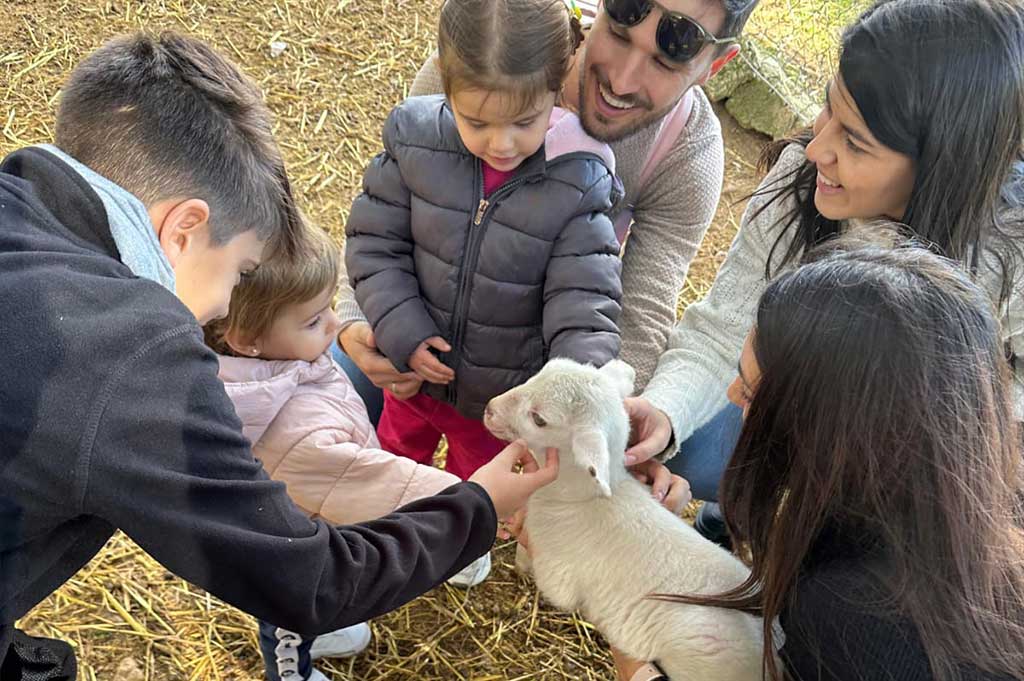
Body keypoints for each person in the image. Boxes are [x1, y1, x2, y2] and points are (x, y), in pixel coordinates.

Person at [0, 32, 557, 681]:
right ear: (183, 228)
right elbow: (312, 581)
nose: (219, 311)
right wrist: (479, 501)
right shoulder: (129, 351)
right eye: (239, 272)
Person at [623, 0, 1024, 543]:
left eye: (854, 141)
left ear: (941, 164)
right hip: (792, 409)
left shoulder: (1008, 258)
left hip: (904, 464)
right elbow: (722, 330)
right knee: (694, 452)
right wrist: (664, 415)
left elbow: (998, 436)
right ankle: (737, 511)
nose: (815, 148)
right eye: (828, 108)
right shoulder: (803, 181)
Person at [335, 0, 762, 429]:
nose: (621, 78)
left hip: (518, 371)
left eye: (667, 60)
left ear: (716, 65)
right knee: (343, 377)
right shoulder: (492, 52)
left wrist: (595, 412)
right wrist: (357, 318)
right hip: (411, 326)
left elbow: (641, 309)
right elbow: (385, 208)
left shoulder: (688, 153)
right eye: (617, 32)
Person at [638, 245, 1024, 681]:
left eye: (748, 393)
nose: (730, 396)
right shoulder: (973, 510)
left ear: (824, 431)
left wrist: (634, 631)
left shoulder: (846, 614)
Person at [344, 0, 623, 485]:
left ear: (556, 91)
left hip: (495, 403)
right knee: (390, 463)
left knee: (472, 491)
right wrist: (399, 328)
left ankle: (458, 554)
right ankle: (379, 540)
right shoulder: (414, 144)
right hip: (413, 376)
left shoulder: (578, 181)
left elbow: (583, 297)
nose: (501, 144)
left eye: (523, 122)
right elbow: (373, 246)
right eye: (476, 122)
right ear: (446, 87)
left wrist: (582, 380)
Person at [204, 224, 494, 680]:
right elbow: (371, 482)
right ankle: (289, 673)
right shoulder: (291, 430)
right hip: (291, 554)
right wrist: (476, 502)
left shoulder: (278, 361)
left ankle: (329, 633)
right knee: (289, 620)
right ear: (246, 338)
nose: (336, 324)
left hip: (317, 517)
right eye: (315, 320)